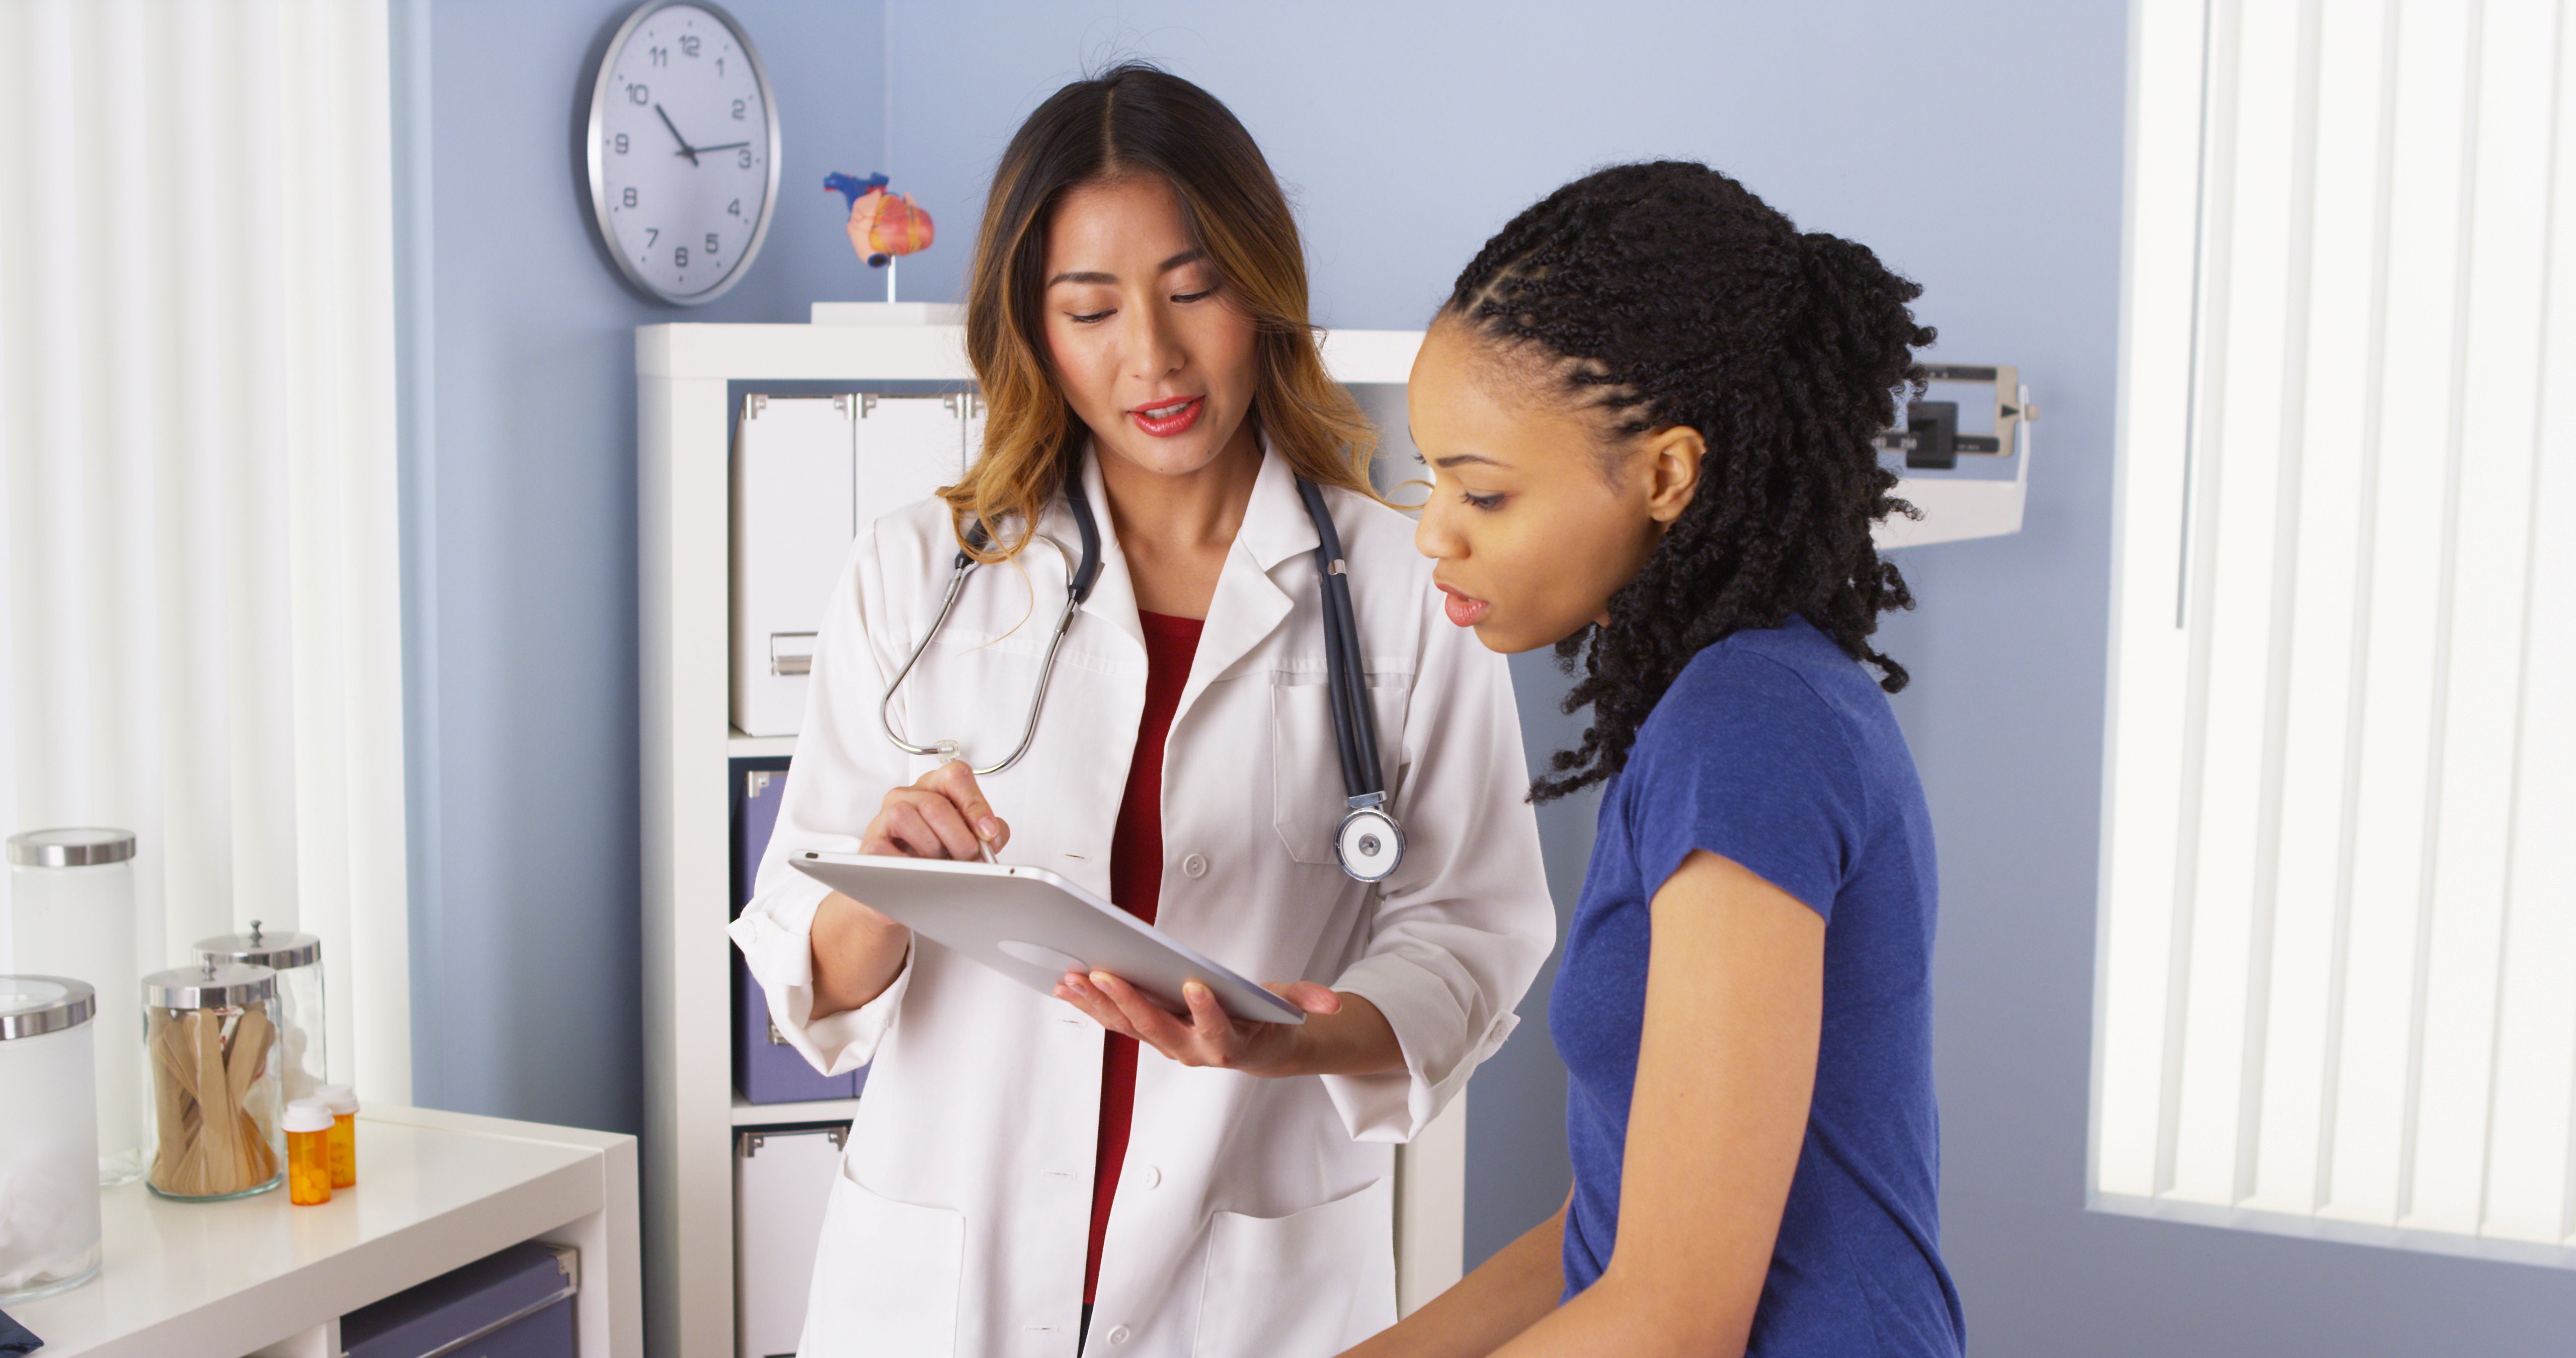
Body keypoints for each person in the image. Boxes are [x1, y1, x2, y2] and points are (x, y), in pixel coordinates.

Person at [729, 64, 1554, 1358]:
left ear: (1260, 290)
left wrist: (1302, 1042)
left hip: (1251, 1287)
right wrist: (875, 890)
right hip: (952, 1285)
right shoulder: (913, 573)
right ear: (1033, 327)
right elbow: (807, 977)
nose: (1152, 358)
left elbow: (1475, 925)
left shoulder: (1400, 586)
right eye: (1091, 307)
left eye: (1193, 290)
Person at [1348, 162, 1965, 1356]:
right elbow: (1615, 1230)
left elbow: (1672, 1319)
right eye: (1430, 479)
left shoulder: (1750, 723)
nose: (1434, 530)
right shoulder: (1725, 706)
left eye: (1482, 490)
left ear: (1667, 475)